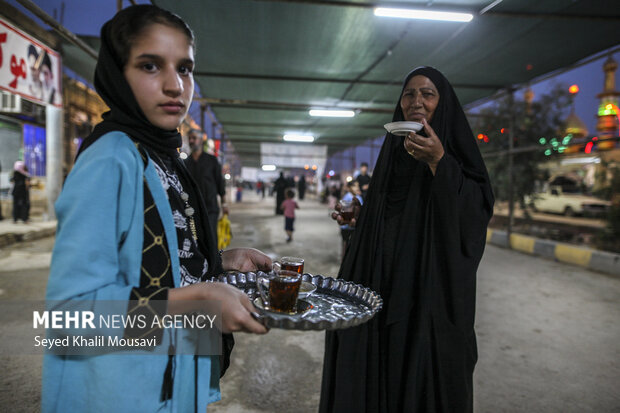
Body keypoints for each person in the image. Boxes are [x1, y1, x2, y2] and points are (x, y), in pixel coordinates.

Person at [42, 6, 270, 412]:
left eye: (185, 69)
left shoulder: (158, 154)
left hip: (165, 382)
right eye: (150, 66)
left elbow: (154, 261)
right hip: (119, 393)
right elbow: (67, 323)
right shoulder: (111, 159)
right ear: (117, 73)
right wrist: (197, 301)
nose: (174, 85)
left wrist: (215, 263)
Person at [320, 66, 494, 413]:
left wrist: (439, 162)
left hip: (426, 295)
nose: (417, 101)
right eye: (409, 94)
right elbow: (394, 209)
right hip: (382, 285)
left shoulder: (454, 156)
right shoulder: (393, 155)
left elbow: (476, 212)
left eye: (427, 94)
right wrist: (362, 215)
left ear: (441, 104)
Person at [184, 128, 227, 244]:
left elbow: (220, 183)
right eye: (190, 138)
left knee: (211, 236)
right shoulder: (186, 163)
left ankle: (214, 260)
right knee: (195, 237)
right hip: (193, 208)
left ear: (201, 140)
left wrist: (224, 204)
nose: (192, 141)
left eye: (194, 138)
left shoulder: (212, 160)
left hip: (210, 207)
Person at [339, 180, 363, 259]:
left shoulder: (358, 197)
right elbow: (345, 215)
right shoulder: (347, 197)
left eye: (358, 186)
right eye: (354, 186)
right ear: (349, 188)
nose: (357, 188)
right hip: (347, 228)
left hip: (355, 227)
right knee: (346, 246)